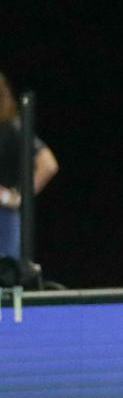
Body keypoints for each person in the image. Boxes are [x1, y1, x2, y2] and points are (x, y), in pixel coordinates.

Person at [0, 72, 56, 264]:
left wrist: (18, 195)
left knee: (5, 282)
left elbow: (47, 164)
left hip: (3, 219)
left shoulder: (10, 127)